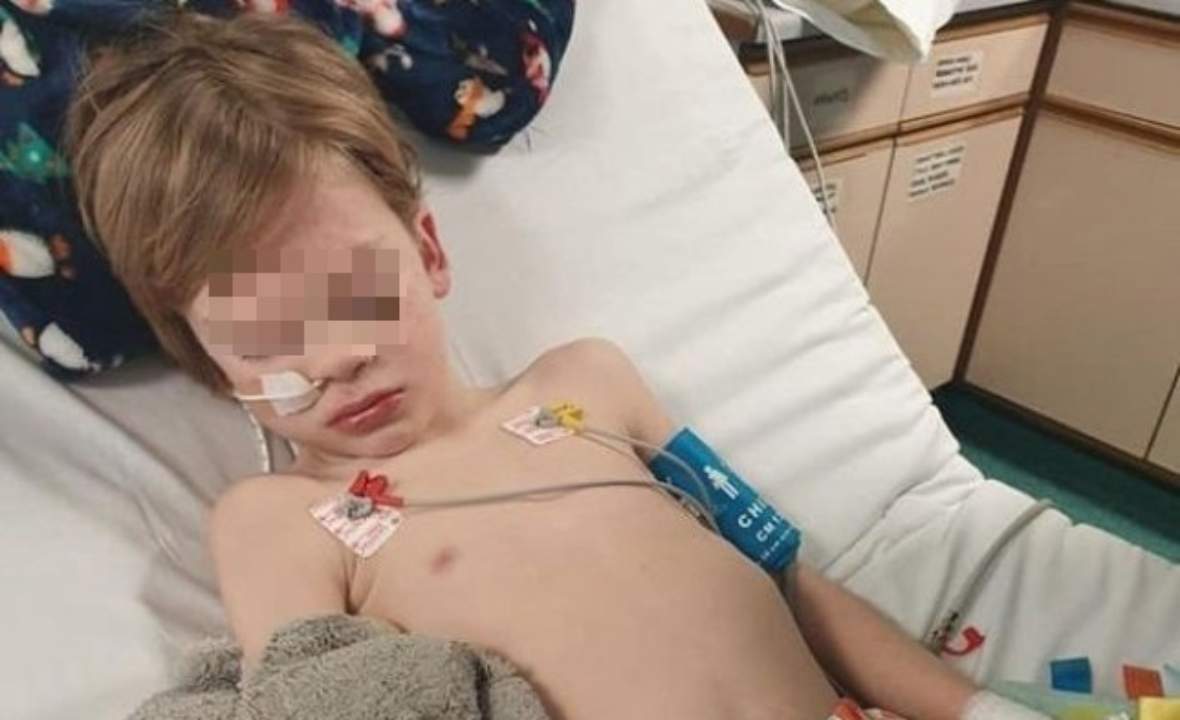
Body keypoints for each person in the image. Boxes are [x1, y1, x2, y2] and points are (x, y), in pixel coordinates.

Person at [65, 11, 1034, 720]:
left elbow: (785, 575)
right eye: (267, 335)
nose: (337, 356)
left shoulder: (587, 385)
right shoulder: (279, 520)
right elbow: (312, 697)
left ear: (428, 253)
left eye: (357, 293)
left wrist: (975, 708)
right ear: (210, 365)